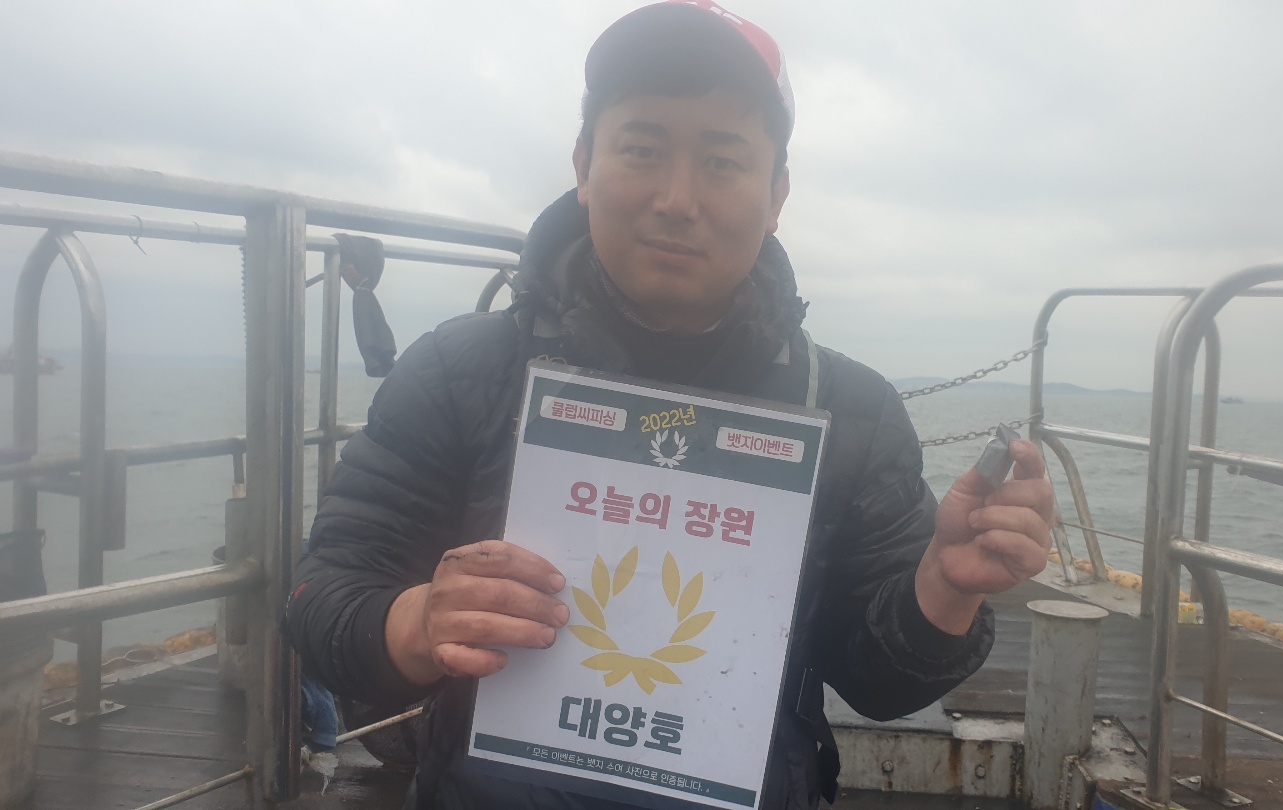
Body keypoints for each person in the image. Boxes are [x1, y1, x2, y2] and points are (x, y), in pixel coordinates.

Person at [286, 2, 1055, 808]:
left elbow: (880, 684)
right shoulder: (462, 370)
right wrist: (415, 624)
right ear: (584, 165)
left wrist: (944, 589)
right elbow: (322, 598)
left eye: (722, 161)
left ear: (777, 194)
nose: (678, 198)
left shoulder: (847, 410)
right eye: (642, 149)